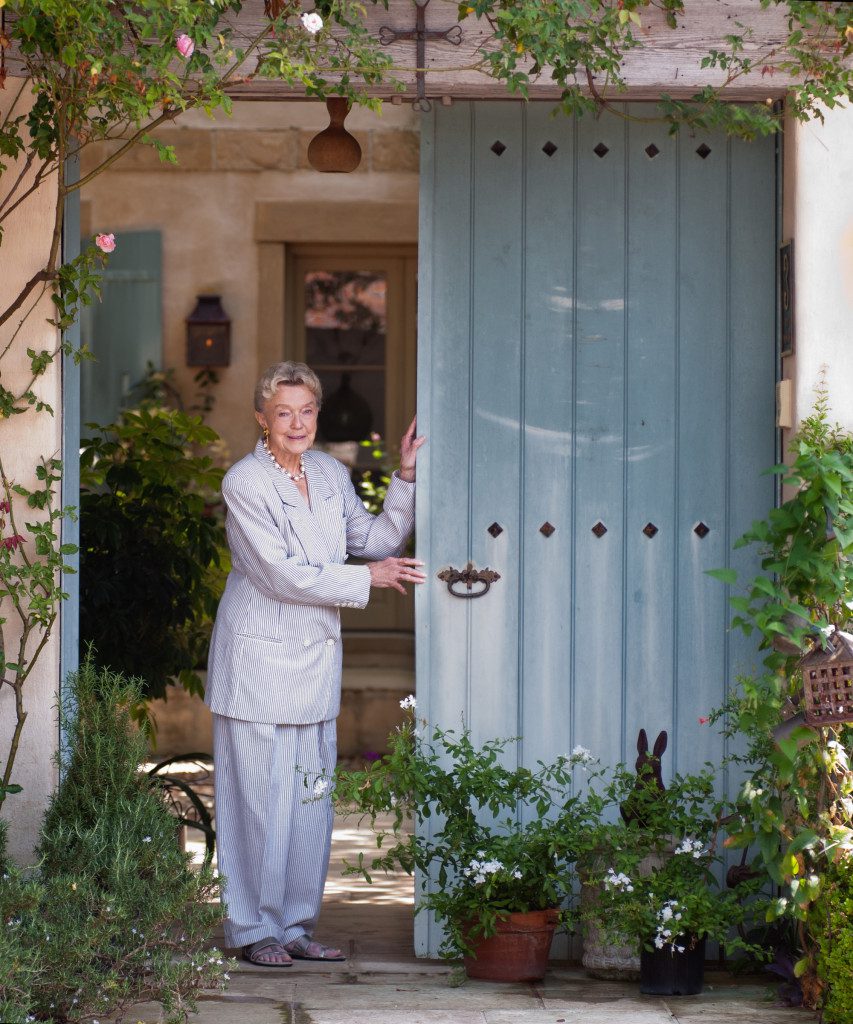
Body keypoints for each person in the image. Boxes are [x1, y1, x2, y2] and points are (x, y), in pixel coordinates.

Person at [205, 361, 425, 966]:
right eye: (284, 412)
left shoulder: (331, 472)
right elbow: (276, 574)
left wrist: (404, 475)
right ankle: (253, 929)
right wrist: (366, 580)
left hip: (314, 662)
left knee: (310, 798)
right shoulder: (245, 483)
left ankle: (296, 925)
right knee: (256, 801)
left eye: (307, 411)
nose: (297, 423)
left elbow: (378, 541)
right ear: (262, 417)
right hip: (254, 663)